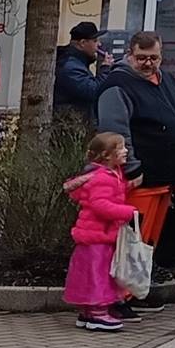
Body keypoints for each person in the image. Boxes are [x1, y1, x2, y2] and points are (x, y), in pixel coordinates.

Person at [96, 31, 175, 283]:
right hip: (141, 179)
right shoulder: (118, 86)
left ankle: (139, 287)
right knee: (131, 242)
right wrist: (132, 168)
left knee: (148, 244)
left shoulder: (166, 80)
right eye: (142, 58)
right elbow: (116, 132)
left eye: (154, 58)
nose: (148, 63)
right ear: (130, 55)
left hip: (166, 179)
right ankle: (122, 294)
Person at [64, 133, 140, 333]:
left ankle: (88, 312)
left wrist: (131, 184)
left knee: (91, 273)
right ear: (107, 155)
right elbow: (100, 205)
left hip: (96, 235)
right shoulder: (102, 178)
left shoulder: (109, 175)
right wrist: (129, 212)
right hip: (99, 235)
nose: (126, 151)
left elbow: (111, 193)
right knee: (100, 274)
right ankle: (98, 312)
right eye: (121, 148)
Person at [52, 21, 105, 127]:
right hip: (69, 126)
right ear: (82, 43)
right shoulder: (70, 67)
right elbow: (93, 91)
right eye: (95, 41)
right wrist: (105, 69)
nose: (99, 45)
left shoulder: (76, 62)